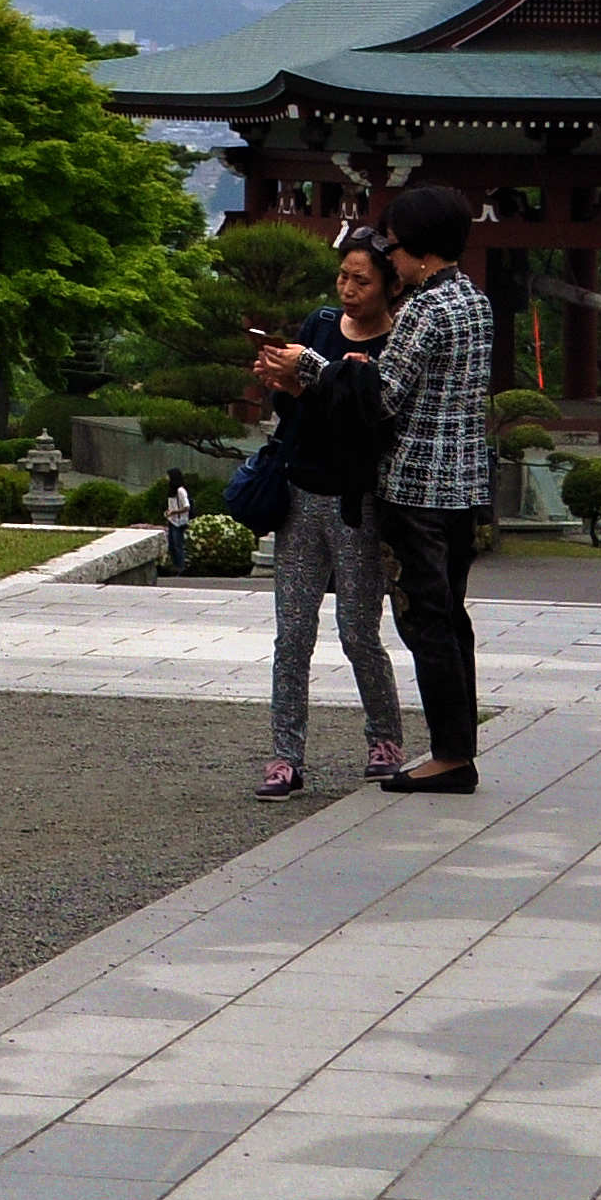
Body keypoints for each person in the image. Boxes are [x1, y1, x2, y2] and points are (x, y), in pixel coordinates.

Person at [258, 182, 494, 792]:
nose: (393, 257)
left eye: (396, 246)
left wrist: (310, 368)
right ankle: (457, 747)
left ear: (417, 249)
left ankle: (449, 755)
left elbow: (384, 398)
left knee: (426, 623)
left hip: (416, 488)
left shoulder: (422, 309)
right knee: (453, 620)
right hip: (466, 487)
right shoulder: (475, 302)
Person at [258, 231, 411, 794]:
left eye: (361, 280)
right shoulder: (318, 327)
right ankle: (285, 756)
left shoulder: (397, 345)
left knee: (357, 631)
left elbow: (373, 421)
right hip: (300, 495)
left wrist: (320, 379)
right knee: (291, 634)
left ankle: (385, 737)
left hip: (357, 503)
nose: (348, 289)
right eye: (343, 277)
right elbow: (292, 409)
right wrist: (283, 382)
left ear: (390, 286)